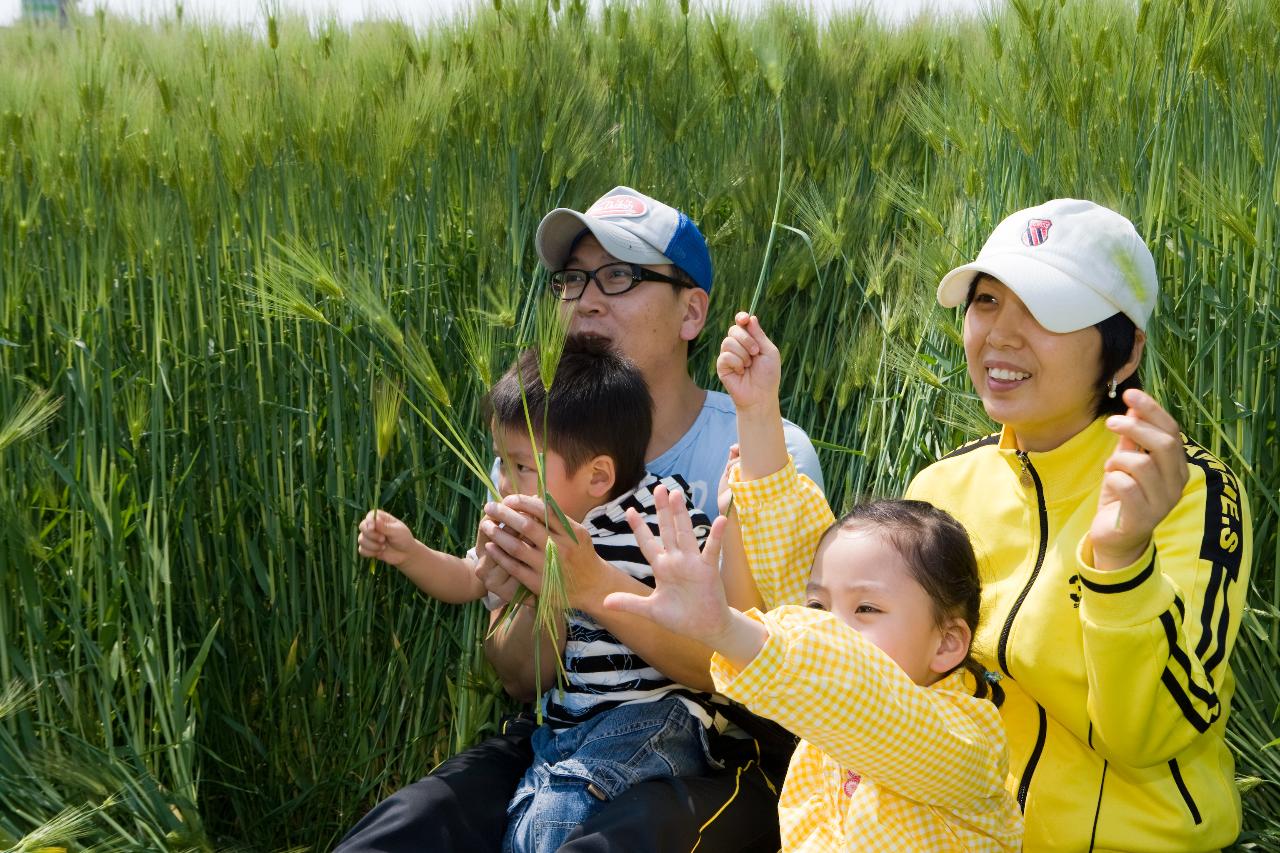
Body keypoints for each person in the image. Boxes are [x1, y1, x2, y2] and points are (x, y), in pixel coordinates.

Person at [720, 198, 1252, 851]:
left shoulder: (1185, 490)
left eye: (1045, 309)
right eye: (987, 302)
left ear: (1125, 350)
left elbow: (1149, 734)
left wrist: (1123, 558)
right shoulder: (946, 483)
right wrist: (760, 425)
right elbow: (835, 631)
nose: (1000, 334)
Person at [338, 186, 824, 852]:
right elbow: (516, 675)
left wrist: (590, 582)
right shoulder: (533, 443)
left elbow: (756, 683)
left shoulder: (761, 444)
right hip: (562, 727)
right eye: (571, 279)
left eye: (620, 275)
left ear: (693, 311)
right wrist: (537, 589)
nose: (587, 299)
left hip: (711, 745)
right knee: (403, 832)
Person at [598, 347, 1024, 848]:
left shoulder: (969, 742)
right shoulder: (823, 729)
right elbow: (790, 553)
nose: (828, 626)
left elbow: (868, 701)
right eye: (819, 609)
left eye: (866, 608)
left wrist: (727, 630)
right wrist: (757, 412)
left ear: (947, 642)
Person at [357, 338, 724, 853]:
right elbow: (468, 578)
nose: (503, 483)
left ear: (598, 474)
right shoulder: (523, 528)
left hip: (654, 716)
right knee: (527, 822)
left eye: (521, 467)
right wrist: (410, 552)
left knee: (559, 814)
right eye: (500, 462)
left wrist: (593, 582)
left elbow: (707, 628)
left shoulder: (662, 514)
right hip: (565, 727)